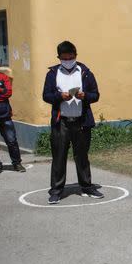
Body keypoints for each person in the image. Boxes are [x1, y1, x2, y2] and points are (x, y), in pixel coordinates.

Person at [42, 41, 103, 204]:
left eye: (71, 57)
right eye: (64, 58)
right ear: (59, 57)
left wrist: (86, 96)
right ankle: (56, 190)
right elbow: (46, 95)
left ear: (76, 55)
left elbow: (96, 94)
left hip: (81, 121)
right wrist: (59, 96)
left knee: (82, 156)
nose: (68, 61)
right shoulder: (53, 73)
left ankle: (87, 186)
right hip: (61, 122)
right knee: (59, 156)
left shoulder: (85, 72)